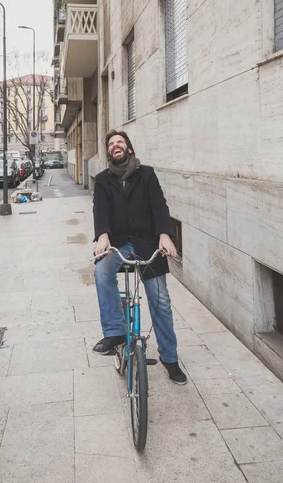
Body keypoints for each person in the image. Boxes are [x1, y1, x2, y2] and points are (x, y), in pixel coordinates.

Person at [92, 129, 187, 385]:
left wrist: (165, 235)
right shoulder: (102, 180)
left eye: (119, 142)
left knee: (161, 302)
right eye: (111, 144)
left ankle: (170, 358)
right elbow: (100, 208)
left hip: (147, 244)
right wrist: (102, 235)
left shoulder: (147, 174)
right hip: (119, 244)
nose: (115, 145)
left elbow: (159, 206)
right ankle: (115, 333)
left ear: (129, 148)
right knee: (101, 271)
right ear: (109, 152)